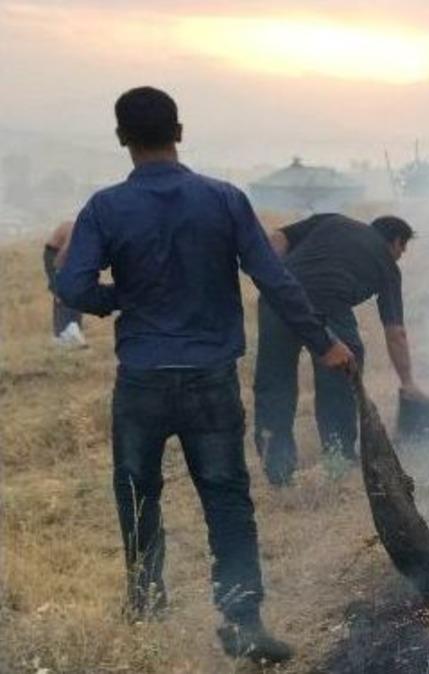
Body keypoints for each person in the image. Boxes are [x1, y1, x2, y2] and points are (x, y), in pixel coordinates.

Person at [55, 86, 355, 664]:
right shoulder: (224, 199)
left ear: (122, 138)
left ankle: (145, 607)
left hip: (141, 380)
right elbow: (274, 278)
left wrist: (119, 297)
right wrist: (323, 343)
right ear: (180, 132)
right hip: (210, 381)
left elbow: (70, 287)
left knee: (138, 496)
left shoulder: (104, 207)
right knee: (227, 501)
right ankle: (242, 619)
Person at [254, 213, 423, 485]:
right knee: (342, 372)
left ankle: (277, 469)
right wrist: (408, 382)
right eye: (402, 249)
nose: (400, 256)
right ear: (395, 241)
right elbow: (395, 333)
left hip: (278, 296)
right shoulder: (387, 264)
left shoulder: (331, 220)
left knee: (274, 382)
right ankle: (338, 458)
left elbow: (278, 237)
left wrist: (274, 275)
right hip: (328, 304)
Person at [43, 220, 85, 346]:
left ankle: (75, 330)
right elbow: (62, 255)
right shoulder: (76, 230)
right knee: (61, 293)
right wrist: (59, 278)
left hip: (70, 256)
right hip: (54, 255)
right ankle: (61, 334)